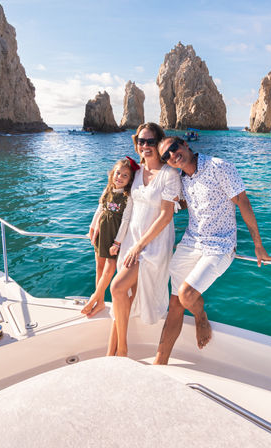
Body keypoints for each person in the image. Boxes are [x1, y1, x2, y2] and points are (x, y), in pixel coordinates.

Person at [154, 137, 271, 365]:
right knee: (175, 305)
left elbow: (243, 202)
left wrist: (258, 244)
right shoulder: (181, 178)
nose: (172, 155)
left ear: (185, 145)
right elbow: (186, 201)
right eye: (165, 155)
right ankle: (159, 363)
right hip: (191, 242)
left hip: (220, 245)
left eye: (174, 148)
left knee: (187, 295)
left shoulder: (219, 167)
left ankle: (201, 317)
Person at [107, 123, 182, 357]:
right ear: (136, 143)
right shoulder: (137, 172)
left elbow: (166, 214)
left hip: (153, 246)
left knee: (117, 288)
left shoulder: (169, 175)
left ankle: (122, 350)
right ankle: (113, 352)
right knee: (125, 295)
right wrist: (101, 225)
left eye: (151, 142)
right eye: (141, 141)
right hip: (132, 243)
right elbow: (116, 195)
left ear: (159, 143)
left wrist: (140, 246)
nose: (145, 146)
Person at [83, 157, 139, 317]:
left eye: (124, 176)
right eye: (117, 173)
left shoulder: (127, 197)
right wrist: (92, 229)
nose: (119, 177)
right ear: (112, 174)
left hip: (114, 236)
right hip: (102, 233)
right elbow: (99, 209)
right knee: (99, 267)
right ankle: (100, 302)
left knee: (109, 268)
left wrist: (117, 243)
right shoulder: (108, 189)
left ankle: (94, 297)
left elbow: (126, 221)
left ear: (130, 180)